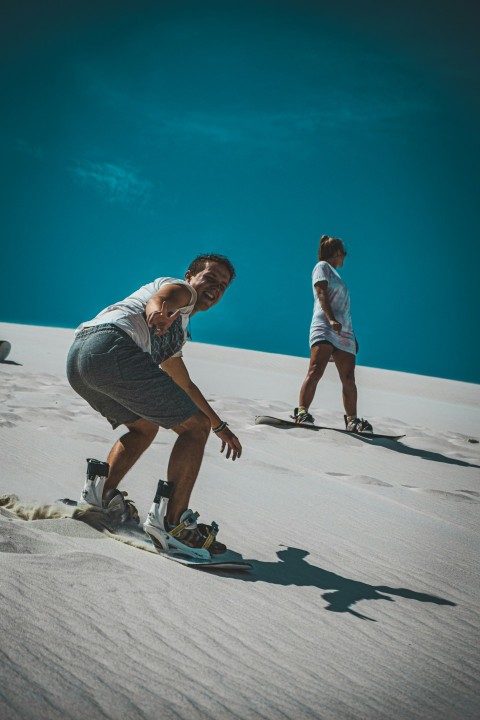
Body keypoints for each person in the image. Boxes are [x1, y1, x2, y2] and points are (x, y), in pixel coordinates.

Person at [66, 253, 242, 555]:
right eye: (210, 278)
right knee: (193, 428)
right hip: (112, 346)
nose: (215, 287)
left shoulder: (176, 333)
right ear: (190, 275)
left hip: (81, 360)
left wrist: (219, 425)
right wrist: (158, 311)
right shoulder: (181, 291)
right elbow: (163, 298)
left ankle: (99, 499)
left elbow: (184, 384)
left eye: (223, 285)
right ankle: (173, 525)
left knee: (145, 427)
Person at [294, 235, 373, 433]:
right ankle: (302, 412)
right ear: (337, 253)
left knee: (348, 378)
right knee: (316, 369)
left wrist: (351, 335)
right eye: (343, 253)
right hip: (325, 325)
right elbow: (321, 293)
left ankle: (352, 420)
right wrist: (330, 319)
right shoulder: (321, 266)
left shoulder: (336, 275)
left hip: (344, 332)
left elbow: (344, 309)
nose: (344, 257)